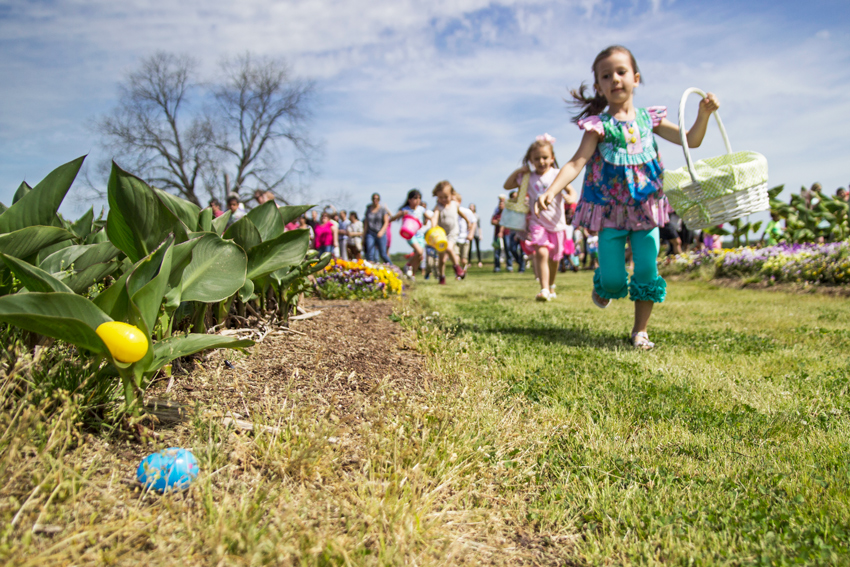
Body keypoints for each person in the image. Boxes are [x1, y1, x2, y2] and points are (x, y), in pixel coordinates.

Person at [535, 45, 719, 349]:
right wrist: (551, 190)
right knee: (613, 280)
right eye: (606, 76)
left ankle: (640, 331)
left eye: (621, 72)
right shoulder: (599, 126)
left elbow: (692, 141)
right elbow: (577, 162)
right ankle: (604, 285)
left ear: (635, 78)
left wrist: (703, 115)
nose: (615, 79)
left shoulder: (650, 120)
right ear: (599, 87)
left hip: (646, 207)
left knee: (647, 269)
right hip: (610, 211)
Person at [505, 134, 577, 301]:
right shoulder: (528, 177)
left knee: (554, 259)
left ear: (552, 158)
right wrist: (519, 170)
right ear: (530, 160)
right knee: (541, 252)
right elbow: (507, 186)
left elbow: (572, 192)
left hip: (557, 224)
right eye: (536, 158)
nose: (541, 162)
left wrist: (570, 198)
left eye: (545, 157)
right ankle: (544, 289)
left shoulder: (558, 174)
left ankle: (551, 285)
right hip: (537, 223)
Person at [431, 181, 473, 284]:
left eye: (446, 197)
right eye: (440, 197)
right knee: (442, 260)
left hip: (453, 232)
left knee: (449, 248)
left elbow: (460, 213)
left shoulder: (454, 204)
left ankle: (457, 267)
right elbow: (434, 217)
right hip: (441, 235)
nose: (443, 200)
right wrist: (433, 227)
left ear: (452, 195)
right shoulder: (438, 207)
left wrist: (468, 221)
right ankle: (442, 277)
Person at [390, 189, 430, 279]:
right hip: (409, 234)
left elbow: (429, 217)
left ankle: (412, 275)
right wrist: (401, 214)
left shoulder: (421, 209)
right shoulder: (405, 209)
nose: (418, 200)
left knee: (419, 256)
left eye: (419, 198)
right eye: (415, 198)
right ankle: (407, 265)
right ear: (409, 200)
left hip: (420, 235)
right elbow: (392, 218)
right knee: (420, 252)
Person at [363, 193, 391, 263]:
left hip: (380, 233)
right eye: (374, 199)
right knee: (370, 253)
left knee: (383, 254)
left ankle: (392, 267)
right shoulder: (368, 209)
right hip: (370, 233)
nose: (375, 200)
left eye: (377, 199)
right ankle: (371, 271)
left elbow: (386, 222)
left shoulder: (382, 209)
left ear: (379, 200)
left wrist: (381, 231)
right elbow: (366, 224)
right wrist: (363, 236)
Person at [454, 193, 476, 276]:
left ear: (459, 201)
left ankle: (464, 269)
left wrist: (471, 234)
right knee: (456, 257)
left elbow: (474, 222)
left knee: (463, 259)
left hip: (465, 238)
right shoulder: (451, 212)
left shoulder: (467, 211)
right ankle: (458, 273)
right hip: (455, 238)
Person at [491, 195, 510, 272]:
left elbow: (506, 222)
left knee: (507, 249)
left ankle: (509, 265)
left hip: (506, 234)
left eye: (502, 203)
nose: (500, 205)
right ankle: (497, 267)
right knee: (497, 251)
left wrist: (501, 229)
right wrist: (499, 221)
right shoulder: (496, 213)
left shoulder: (507, 213)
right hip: (497, 235)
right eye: (499, 203)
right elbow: (492, 221)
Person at [467, 203, 483, 268]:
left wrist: (480, 234)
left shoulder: (477, 216)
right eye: (470, 206)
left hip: (476, 233)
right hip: (469, 233)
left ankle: (479, 261)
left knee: (478, 248)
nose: (471, 208)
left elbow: (479, 226)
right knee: (469, 248)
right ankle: (469, 262)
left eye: (472, 206)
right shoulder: (467, 215)